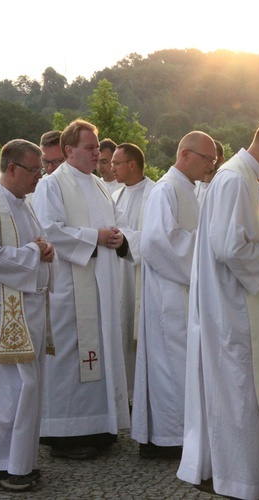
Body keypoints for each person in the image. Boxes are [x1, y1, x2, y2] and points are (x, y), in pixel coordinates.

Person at [177, 113, 259, 499]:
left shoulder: (238, 177)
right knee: (241, 400)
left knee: (243, 398)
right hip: (236, 313)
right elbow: (230, 248)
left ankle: (250, 477)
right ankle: (243, 482)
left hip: (237, 307)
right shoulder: (235, 180)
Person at [32, 119, 131, 460]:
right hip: (70, 289)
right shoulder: (52, 185)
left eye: (98, 146)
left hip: (101, 283)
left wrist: (119, 237)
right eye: (90, 148)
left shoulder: (102, 185)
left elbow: (116, 223)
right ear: (69, 151)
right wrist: (96, 237)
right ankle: (65, 433)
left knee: (99, 352)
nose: (97, 153)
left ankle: (100, 425)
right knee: (71, 360)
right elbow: (49, 230)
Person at [0, 139, 55, 492]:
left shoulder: (24, 205)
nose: (39, 177)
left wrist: (44, 250)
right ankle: (3, 465)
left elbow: (36, 247)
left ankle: (22, 462)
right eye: (35, 170)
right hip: (0, 308)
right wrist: (35, 252)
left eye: (41, 169)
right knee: (6, 390)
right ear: (13, 168)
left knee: (27, 387)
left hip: (27, 305)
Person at [132, 131, 215, 459]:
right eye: (206, 158)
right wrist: (205, 251)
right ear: (185, 154)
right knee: (172, 366)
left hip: (181, 289)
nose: (210, 165)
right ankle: (169, 438)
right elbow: (158, 241)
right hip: (170, 294)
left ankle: (181, 434)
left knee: (180, 366)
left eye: (212, 160)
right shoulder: (167, 189)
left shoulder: (186, 188)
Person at [110, 142, 155, 400]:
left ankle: (138, 393)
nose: (112, 168)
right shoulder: (115, 195)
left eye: (117, 163)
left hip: (141, 276)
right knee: (122, 331)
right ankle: (123, 393)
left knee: (136, 333)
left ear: (132, 164)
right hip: (119, 274)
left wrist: (126, 241)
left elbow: (155, 237)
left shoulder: (155, 193)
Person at [194, 139, 225, 207]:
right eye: (205, 157)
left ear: (221, 159)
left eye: (212, 159)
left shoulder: (223, 187)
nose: (208, 162)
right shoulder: (193, 185)